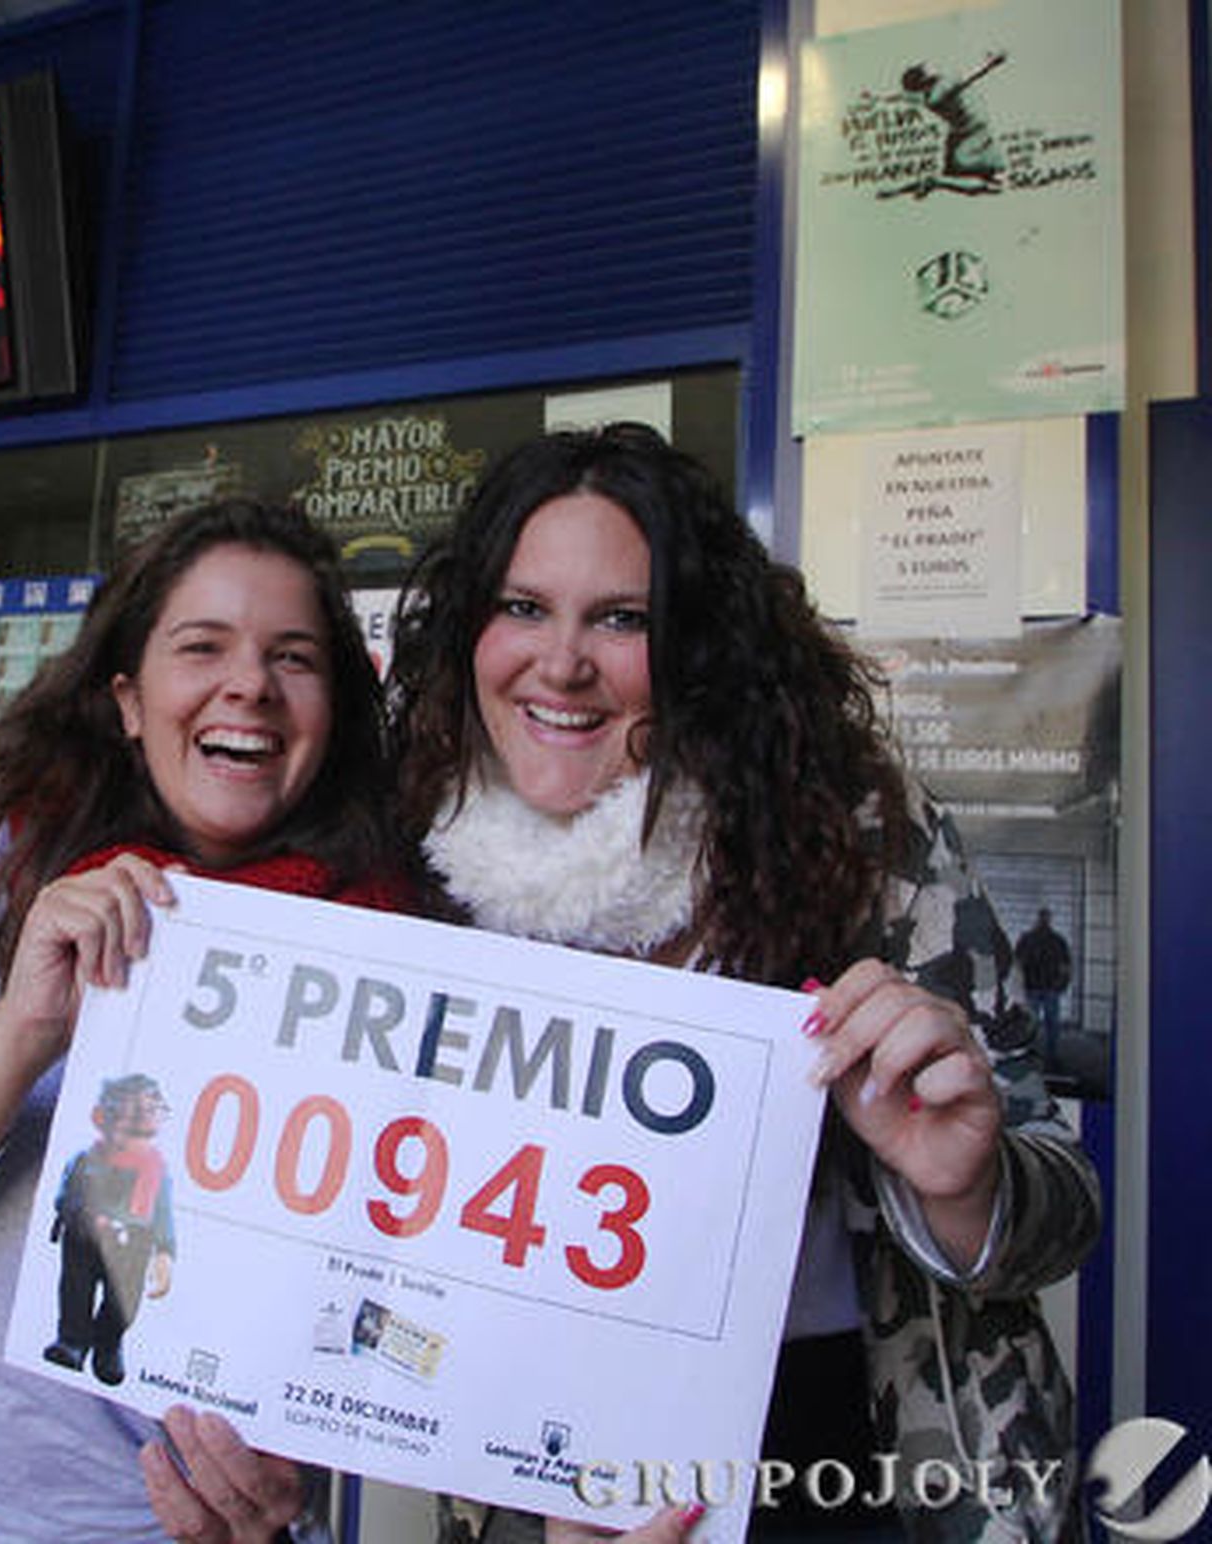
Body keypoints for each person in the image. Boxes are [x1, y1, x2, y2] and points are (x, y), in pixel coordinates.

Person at [385, 424, 1101, 1544]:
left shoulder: (860, 838)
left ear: (698, 644)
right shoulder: (417, 857)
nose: (561, 661)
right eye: (522, 606)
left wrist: (965, 1186)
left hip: (848, 1457)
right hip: (535, 1470)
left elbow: (1059, 1216)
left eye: (621, 617)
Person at [0, 498, 407, 1544]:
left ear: (334, 707)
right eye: (201, 646)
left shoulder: (394, 945)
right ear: (129, 697)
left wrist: (300, 1465)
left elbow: (406, 1294)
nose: (249, 684)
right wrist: (26, 1021)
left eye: (294, 656)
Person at [45, 1073, 177, 1388]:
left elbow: (163, 1213)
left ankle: (108, 1347)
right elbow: (66, 1196)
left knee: (123, 1301)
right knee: (75, 1290)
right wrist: (84, 1215)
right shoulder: (85, 1158)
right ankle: (72, 1342)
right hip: (83, 1238)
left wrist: (165, 1253)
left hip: (133, 1242)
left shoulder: (156, 1168)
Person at [1014, 908, 1072, 1070]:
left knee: (1036, 1024)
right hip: (1044, 988)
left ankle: (1034, 1054)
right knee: (1048, 1024)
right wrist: (1063, 984)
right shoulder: (1056, 940)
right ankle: (1047, 1056)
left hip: (1039, 988)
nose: (1043, 922)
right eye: (1043, 918)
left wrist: (1063, 984)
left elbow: (1016, 964)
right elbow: (1066, 966)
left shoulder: (1029, 939)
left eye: (1044, 918)